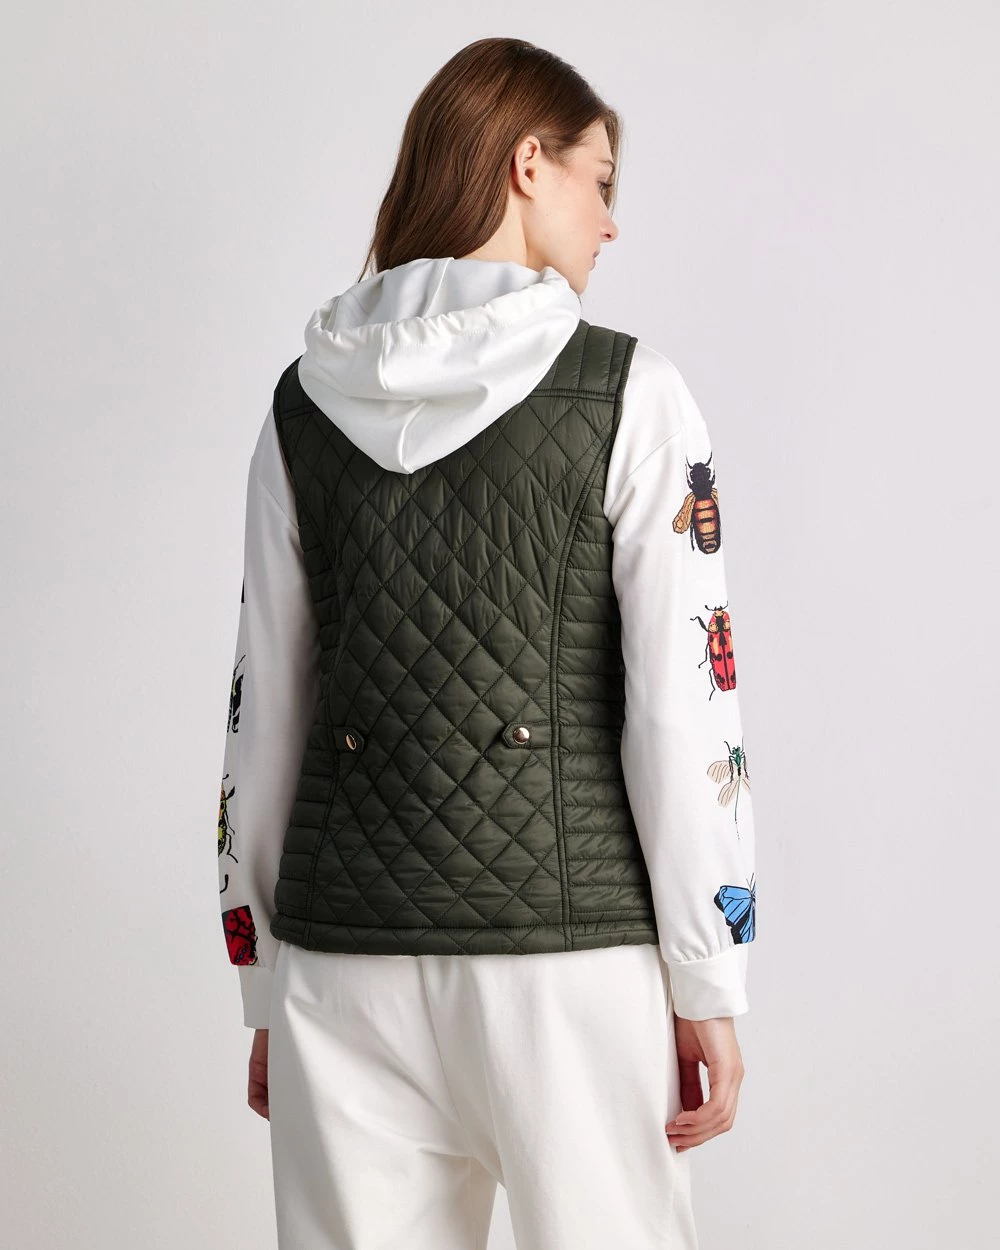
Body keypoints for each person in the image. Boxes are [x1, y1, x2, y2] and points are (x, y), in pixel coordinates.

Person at [216, 35, 758, 1250]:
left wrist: (264, 980)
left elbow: (265, 713)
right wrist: (706, 976)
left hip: (339, 964)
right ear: (526, 164)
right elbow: (682, 708)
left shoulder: (302, 401)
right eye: (598, 180)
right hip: (569, 968)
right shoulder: (631, 392)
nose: (610, 221)